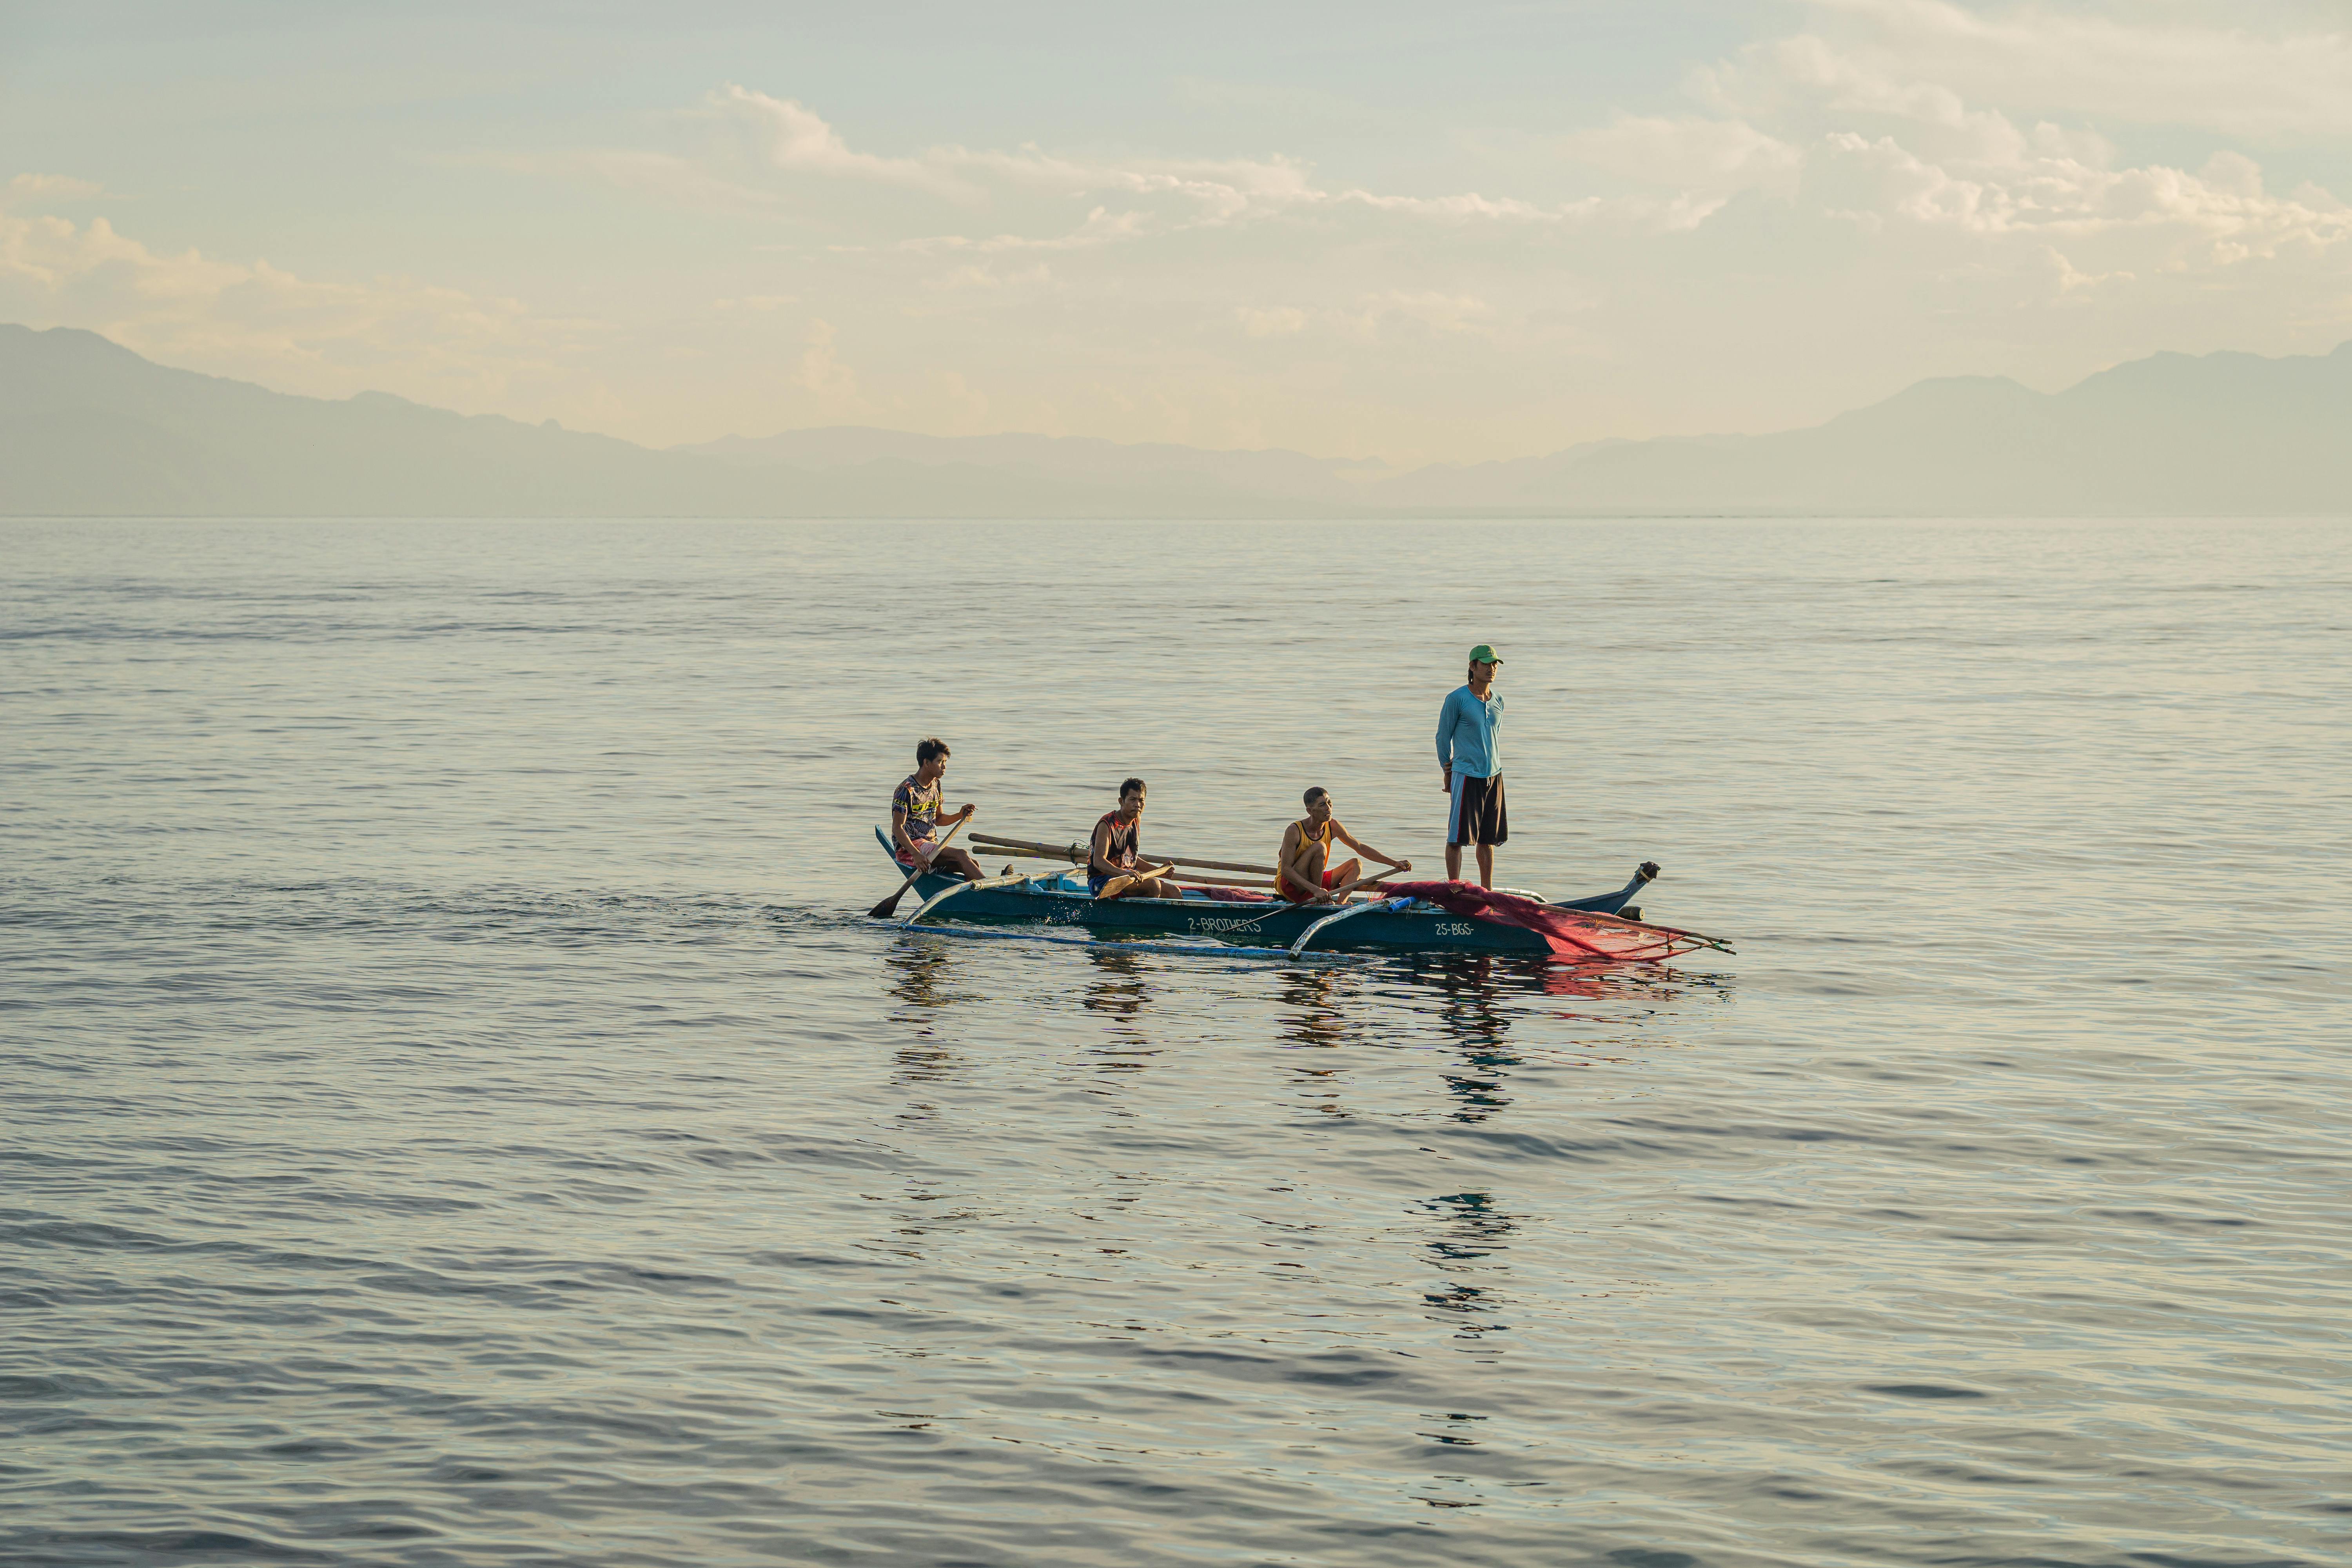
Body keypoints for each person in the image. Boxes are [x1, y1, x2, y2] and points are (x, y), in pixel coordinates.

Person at [1436, 644, 1506, 886]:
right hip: (1466, 775)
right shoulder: (1457, 699)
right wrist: (1447, 771)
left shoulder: (1499, 700)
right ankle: (1454, 889)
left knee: (1487, 839)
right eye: (1486, 664)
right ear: (1472, 666)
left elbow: (1493, 736)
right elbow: (1442, 738)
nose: (1491, 668)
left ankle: (1487, 891)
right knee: (1457, 838)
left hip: (1494, 775)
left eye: (1495, 664)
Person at [1278, 787, 1411, 904]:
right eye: (1322, 805)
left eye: (1329, 802)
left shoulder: (1333, 826)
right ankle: (1320, 899)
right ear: (1310, 811)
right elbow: (1286, 870)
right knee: (1320, 847)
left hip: (1316, 884)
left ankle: (1340, 904)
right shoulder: (1294, 831)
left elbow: (1360, 848)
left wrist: (1394, 863)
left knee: (1356, 864)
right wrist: (1316, 890)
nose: (1328, 808)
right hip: (1292, 887)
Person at [891, 737, 983, 882]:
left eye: (945, 762)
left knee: (973, 864)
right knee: (961, 855)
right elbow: (898, 828)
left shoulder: (936, 785)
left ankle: (978, 892)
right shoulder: (906, 790)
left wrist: (960, 815)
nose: (944, 767)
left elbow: (939, 819)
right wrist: (916, 855)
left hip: (930, 847)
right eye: (940, 762)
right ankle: (993, 889)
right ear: (926, 763)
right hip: (910, 850)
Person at [1089, 778, 1179, 900]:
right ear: (1122, 802)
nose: (1138, 805)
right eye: (1132, 800)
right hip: (1102, 880)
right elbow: (1099, 862)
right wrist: (1126, 873)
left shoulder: (1136, 821)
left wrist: (1160, 871)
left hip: (1127, 877)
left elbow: (1133, 860)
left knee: (1174, 892)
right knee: (1154, 885)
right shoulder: (1107, 824)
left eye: (1141, 800)